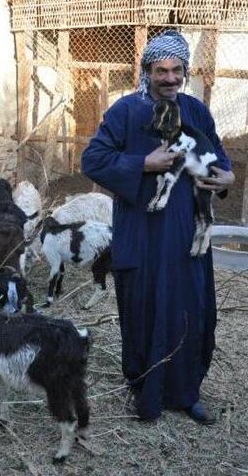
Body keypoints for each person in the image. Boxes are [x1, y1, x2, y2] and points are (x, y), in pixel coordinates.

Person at [80, 30, 234, 424]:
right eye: (160, 70)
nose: (169, 77)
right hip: (142, 233)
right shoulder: (125, 111)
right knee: (144, 312)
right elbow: (93, 161)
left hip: (187, 235)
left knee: (192, 310)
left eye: (176, 69)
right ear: (146, 71)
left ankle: (187, 393)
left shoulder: (196, 110)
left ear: (185, 70)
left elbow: (217, 155)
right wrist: (143, 164)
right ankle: (145, 394)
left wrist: (226, 178)